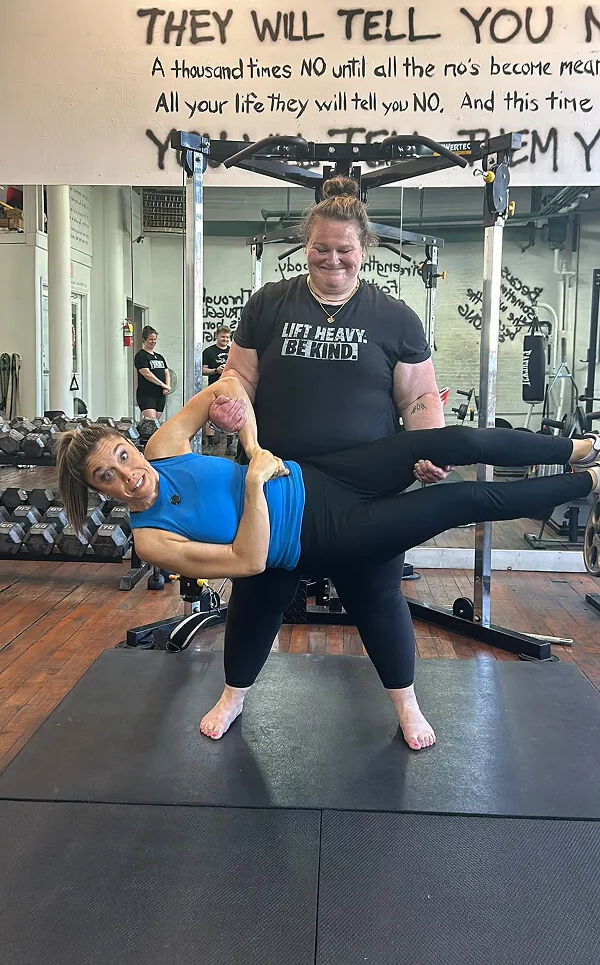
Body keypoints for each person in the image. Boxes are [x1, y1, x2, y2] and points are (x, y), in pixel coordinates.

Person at [55, 374, 600, 750]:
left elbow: (227, 389)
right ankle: (591, 481)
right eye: (108, 476)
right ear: (98, 491)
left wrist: (248, 438)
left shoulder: (164, 445)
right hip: (325, 535)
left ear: (130, 442)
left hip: (326, 475)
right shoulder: (151, 539)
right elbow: (248, 561)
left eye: (123, 455)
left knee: (451, 439)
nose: (128, 474)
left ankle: (572, 449)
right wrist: (252, 480)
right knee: (464, 501)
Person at [209, 175, 453, 749]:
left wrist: (429, 453)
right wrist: (230, 404)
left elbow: (418, 398)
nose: (333, 261)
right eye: (322, 249)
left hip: (364, 491)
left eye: (345, 251)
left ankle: (408, 706)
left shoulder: (394, 316)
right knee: (260, 594)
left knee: (378, 595)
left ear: (363, 250)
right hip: (280, 486)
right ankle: (233, 695)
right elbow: (239, 375)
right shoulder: (270, 303)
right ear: (305, 245)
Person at [202, 326, 235, 454]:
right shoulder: (208, 351)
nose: (225, 339)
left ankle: (230, 445)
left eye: (227, 337)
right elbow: (202, 370)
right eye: (223, 337)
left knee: (231, 415)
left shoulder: (233, 351)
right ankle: (209, 445)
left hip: (230, 387)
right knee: (211, 415)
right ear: (217, 336)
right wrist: (216, 370)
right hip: (214, 387)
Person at [134, 326, 170, 420]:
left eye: (155, 339)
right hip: (147, 394)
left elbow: (166, 372)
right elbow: (146, 373)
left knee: (156, 423)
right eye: (150, 339)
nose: (153, 341)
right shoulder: (141, 355)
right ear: (144, 339)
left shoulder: (159, 357)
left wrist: (167, 386)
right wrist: (162, 384)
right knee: (150, 421)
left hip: (160, 395)